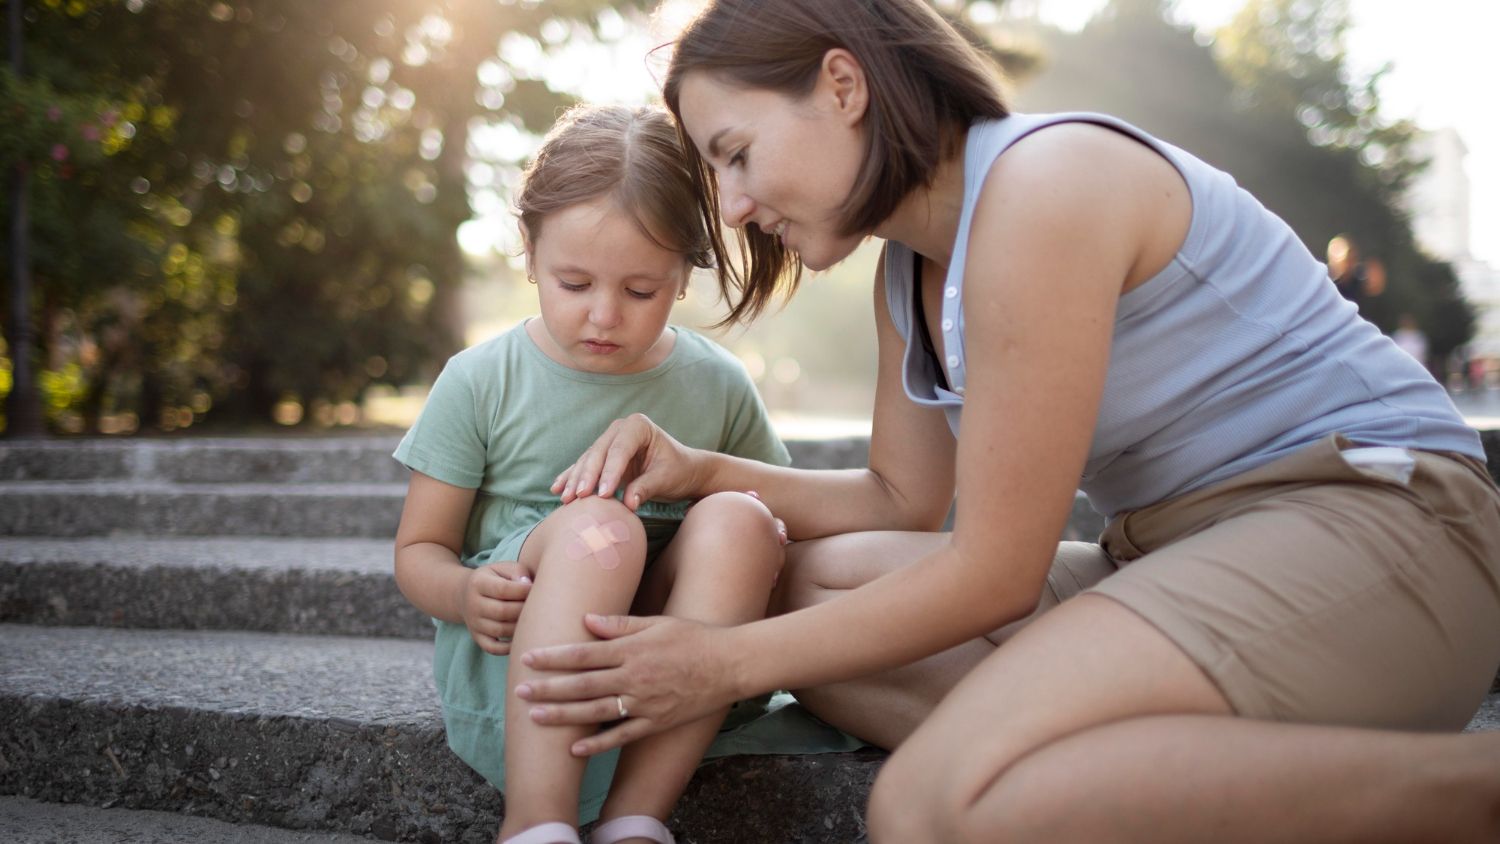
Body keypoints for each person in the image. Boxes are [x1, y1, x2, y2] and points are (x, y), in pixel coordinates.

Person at [514, 2, 1500, 842]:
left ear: (843, 85)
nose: (728, 207)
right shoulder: (909, 271)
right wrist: (702, 471)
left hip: (1385, 533)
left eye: (735, 153)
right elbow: (899, 500)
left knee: (932, 803)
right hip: (1177, 554)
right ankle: (1140, 763)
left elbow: (993, 571)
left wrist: (717, 663)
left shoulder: (1043, 187)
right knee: (803, 589)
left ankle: (1472, 789)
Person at [391, 103, 794, 844]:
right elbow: (419, 550)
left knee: (742, 516)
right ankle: (537, 823)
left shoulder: (717, 383)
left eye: (640, 291)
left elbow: (784, 526)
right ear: (529, 250)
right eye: (573, 282)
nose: (604, 315)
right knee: (598, 529)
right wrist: (462, 591)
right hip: (525, 663)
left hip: (680, 664)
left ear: (684, 274)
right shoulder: (481, 379)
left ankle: (636, 817)